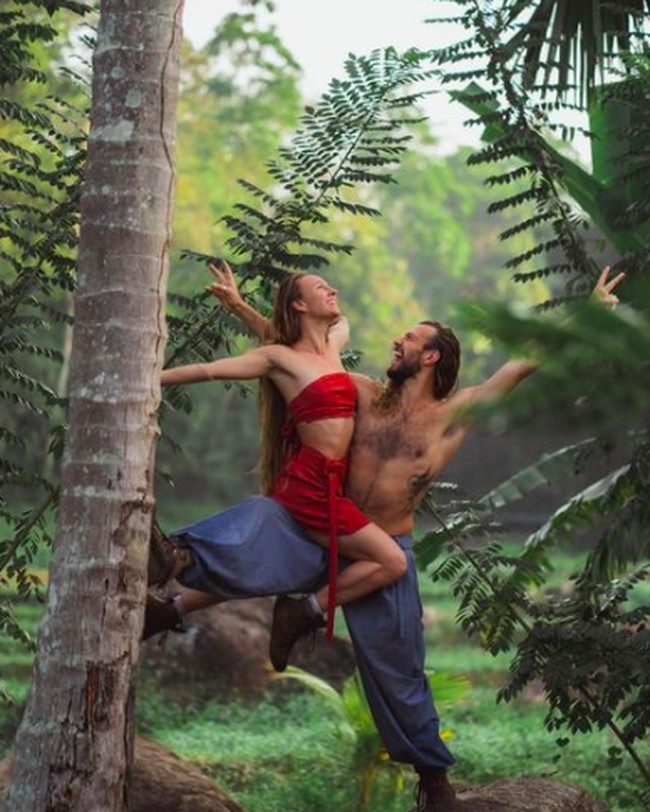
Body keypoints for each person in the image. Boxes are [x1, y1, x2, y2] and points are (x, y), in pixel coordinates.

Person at [147, 263, 624, 812]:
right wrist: (244, 310)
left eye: (410, 340)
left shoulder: (456, 412)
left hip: (384, 549)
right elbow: (296, 359)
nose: (396, 342)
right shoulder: (363, 392)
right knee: (259, 538)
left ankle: (432, 778)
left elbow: (523, 364)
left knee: (398, 667)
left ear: (432, 357)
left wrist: (585, 314)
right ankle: (170, 606)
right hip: (330, 526)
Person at [158, 269, 407, 642]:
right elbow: (208, 371)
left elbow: (308, 331)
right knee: (393, 561)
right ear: (299, 303)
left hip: (330, 485)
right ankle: (301, 612)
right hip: (311, 488)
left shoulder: (333, 344)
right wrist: (149, 377)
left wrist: (240, 306)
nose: (333, 288)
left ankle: (170, 609)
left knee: (275, 561)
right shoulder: (278, 358)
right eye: (322, 287)